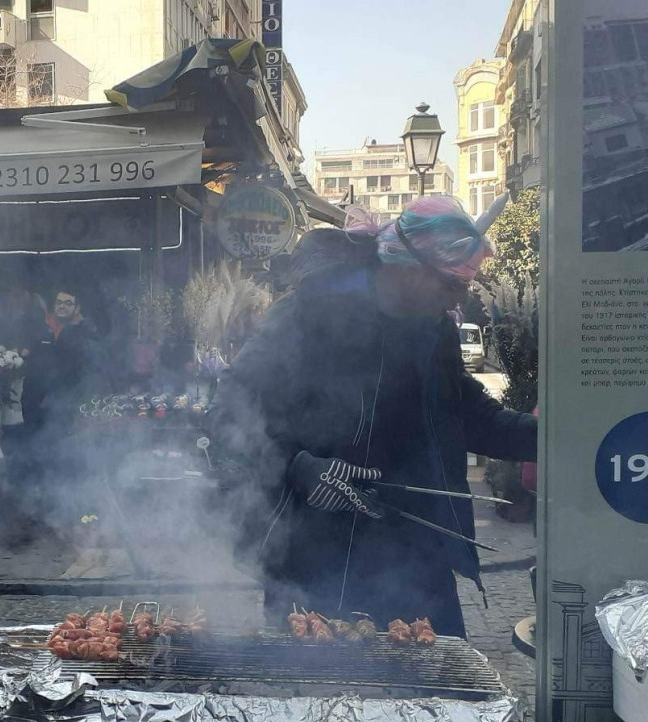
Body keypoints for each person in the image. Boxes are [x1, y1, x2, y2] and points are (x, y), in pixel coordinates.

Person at [211, 195, 535, 638]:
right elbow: (231, 408)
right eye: (452, 283)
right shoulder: (309, 315)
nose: (460, 297)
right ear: (407, 268)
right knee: (324, 676)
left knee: (438, 672)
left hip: (415, 556)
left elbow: (467, 414)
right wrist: (297, 466)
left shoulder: (435, 328)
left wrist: (549, 437)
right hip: (317, 559)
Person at [15, 287, 100, 532]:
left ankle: (65, 514)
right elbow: (31, 358)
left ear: (77, 307)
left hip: (64, 406)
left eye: (68, 303)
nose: (62, 306)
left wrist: (78, 405)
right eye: (59, 302)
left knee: (61, 459)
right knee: (36, 457)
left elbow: (86, 373)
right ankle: (39, 513)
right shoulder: (43, 327)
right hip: (35, 404)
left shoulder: (85, 332)